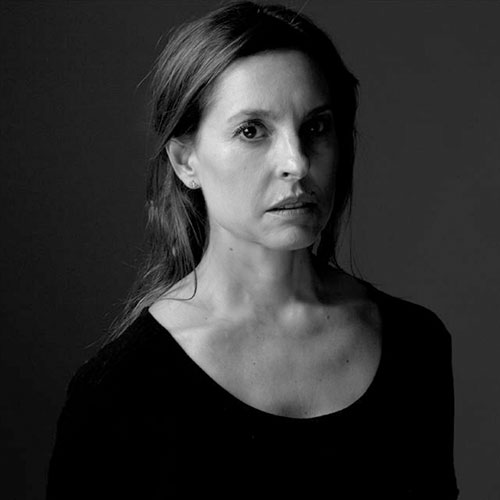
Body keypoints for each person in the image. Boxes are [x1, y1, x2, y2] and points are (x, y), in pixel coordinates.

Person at [46, 2, 459, 498]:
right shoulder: (118, 393)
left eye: (316, 127)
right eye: (251, 131)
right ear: (185, 161)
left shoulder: (416, 346)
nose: (296, 163)